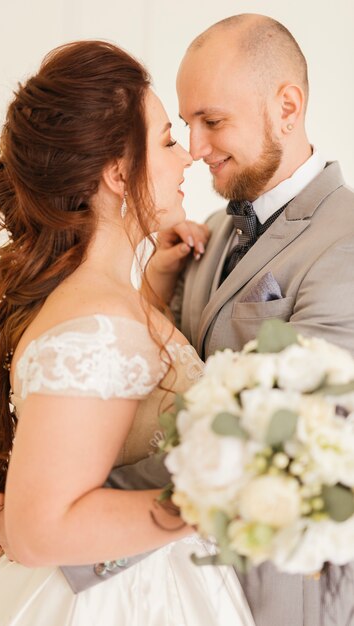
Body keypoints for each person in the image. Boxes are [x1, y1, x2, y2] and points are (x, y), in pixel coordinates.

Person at [0, 40, 255, 626]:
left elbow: (122, 418)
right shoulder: (98, 323)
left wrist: (159, 282)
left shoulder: (108, 299)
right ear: (116, 172)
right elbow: (38, 531)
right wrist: (221, 504)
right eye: (165, 139)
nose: (186, 157)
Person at [171, 13, 354, 626]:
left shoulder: (346, 241)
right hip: (188, 589)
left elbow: (275, 440)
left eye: (212, 121)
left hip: (284, 597)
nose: (195, 149)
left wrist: (64, 518)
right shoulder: (209, 235)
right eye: (186, 124)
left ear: (287, 106)